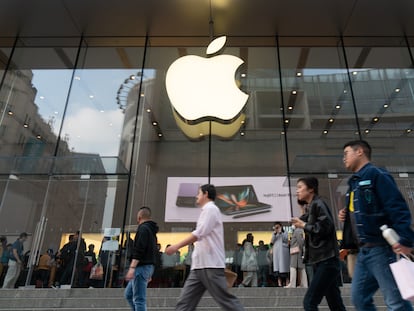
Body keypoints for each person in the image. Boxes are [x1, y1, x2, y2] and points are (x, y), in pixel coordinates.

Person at [339, 140, 414, 311]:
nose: (344, 158)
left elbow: (397, 207)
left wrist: (406, 239)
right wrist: (347, 213)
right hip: (363, 251)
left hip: (381, 248)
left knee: (396, 302)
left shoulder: (377, 175)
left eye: (346, 153)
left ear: (360, 152)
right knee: (359, 299)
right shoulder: (353, 182)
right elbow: (362, 208)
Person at [165, 184, 244, 311]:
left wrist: (176, 246)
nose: (196, 196)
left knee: (227, 302)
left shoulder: (211, 209)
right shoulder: (207, 211)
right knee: (184, 303)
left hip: (210, 265)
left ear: (206, 194)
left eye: (199, 193)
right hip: (198, 267)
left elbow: (199, 233)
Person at [291, 177, 346, 311]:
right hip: (323, 260)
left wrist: (303, 224)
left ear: (311, 189)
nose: (296, 191)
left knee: (309, 302)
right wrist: (302, 213)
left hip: (326, 260)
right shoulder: (312, 206)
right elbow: (308, 221)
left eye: (299, 187)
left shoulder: (319, 204)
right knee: (335, 304)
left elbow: (325, 227)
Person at [124, 206, 159, 311]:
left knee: (139, 300)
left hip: (141, 268)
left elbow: (139, 249)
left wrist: (132, 268)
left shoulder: (143, 229)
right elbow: (154, 253)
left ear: (139, 217)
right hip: (145, 268)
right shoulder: (151, 232)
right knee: (129, 294)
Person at [285, 209, 307, 288]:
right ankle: (303, 284)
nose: (293, 224)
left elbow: (301, 242)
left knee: (293, 267)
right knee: (301, 268)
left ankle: (292, 284)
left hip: (296, 252)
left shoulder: (298, 231)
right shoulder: (298, 230)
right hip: (298, 252)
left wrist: (300, 251)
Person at [270, 222, 290, 287]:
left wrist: (281, 232)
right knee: (277, 268)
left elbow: (286, 239)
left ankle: (287, 282)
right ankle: (279, 283)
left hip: (284, 252)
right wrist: (275, 233)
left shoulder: (285, 232)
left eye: (278, 227)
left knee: (285, 268)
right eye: (276, 227)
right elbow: (272, 241)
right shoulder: (274, 233)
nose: (277, 228)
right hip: (277, 252)